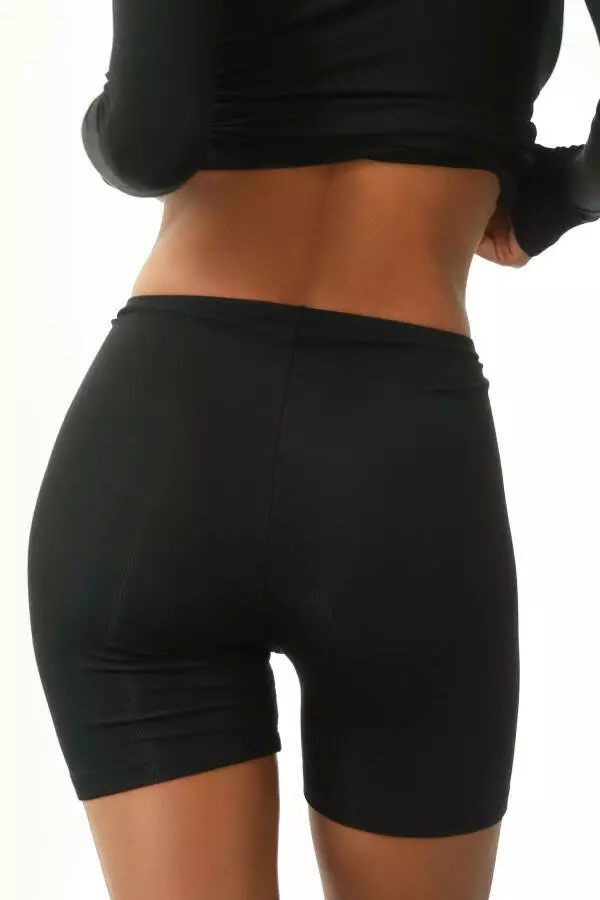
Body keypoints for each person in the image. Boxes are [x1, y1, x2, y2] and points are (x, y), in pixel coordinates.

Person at [27, 2, 600, 899]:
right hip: (398, 463)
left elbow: (146, 143)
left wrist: (96, 129)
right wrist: (553, 198)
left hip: (162, 448)